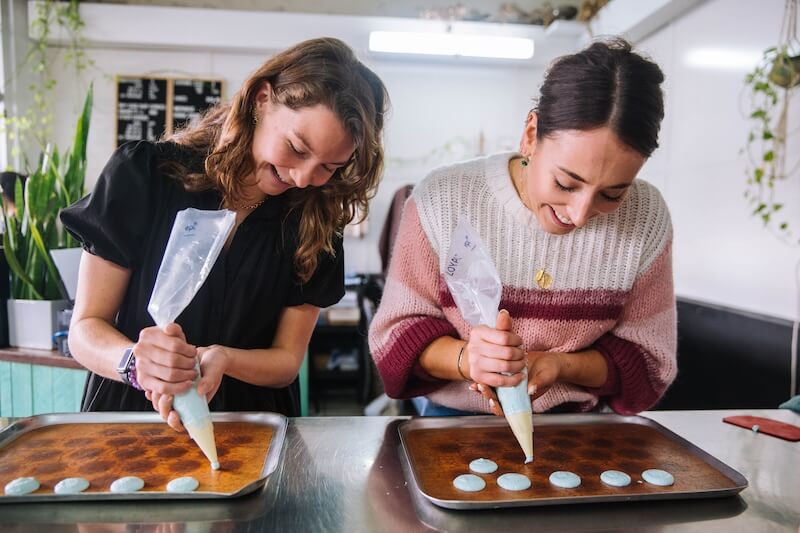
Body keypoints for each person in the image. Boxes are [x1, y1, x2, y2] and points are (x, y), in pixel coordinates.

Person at [61, 37, 389, 428]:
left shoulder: (315, 223)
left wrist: (225, 358)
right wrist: (135, 362)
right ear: (261, 99)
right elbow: (84, 330)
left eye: (330, 166)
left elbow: (286, 361)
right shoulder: (146, 176)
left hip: (251, 426)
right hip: (131, 418)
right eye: (297, 148)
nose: (305, 179)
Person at [369, 37, 676, 417]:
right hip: (454, 423)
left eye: (612, 195)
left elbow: (649, 359)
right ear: (531, 135)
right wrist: (468, 359)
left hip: (580, 428)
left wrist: (561, 365)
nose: (579, 214)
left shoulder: (645, 217)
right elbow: (395, 338)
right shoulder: (442, 200)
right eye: (565, 184)